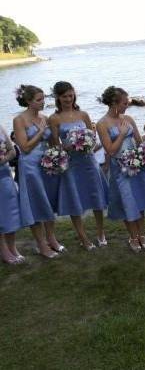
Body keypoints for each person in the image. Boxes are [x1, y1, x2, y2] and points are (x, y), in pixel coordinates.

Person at [97, 86, 145, 253]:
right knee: (127, 202)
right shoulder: (102, 124)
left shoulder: (129, 119)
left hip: (137, 166)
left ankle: (142, 234)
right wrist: (122, 133)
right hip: (119, 168)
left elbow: (139, 142)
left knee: (140, 200)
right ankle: (132, 236)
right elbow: (110, 150)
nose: (128, 105)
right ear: (114, 103)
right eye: (125, 103)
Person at [49, 81, 108, 249]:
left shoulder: (83, 114)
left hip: (88, 160)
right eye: (64, 96)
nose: (68, 99)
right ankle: (83, 238)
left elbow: (93, 137)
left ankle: (100, 233)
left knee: (96, 197)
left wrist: (87, 142)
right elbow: (54, 146)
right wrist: (68, 146)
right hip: (71, 163)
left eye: (70, 95)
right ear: (57, 98)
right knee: (75, 200)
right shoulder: (54, 118)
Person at [12, 85, 63, 258]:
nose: (43, 102)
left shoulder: (45, 117)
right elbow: (24, 147)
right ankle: (41, 244)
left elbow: (52, 142)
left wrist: (56, 156)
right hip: (30, 166)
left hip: (47, 165)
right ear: (28, 101)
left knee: (48, 202)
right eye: (39, 100)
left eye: (44, 99)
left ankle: (51, 238)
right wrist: (41, 131)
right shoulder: (19, 120)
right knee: (36, 203)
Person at [0, 125, 26, 264]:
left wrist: (2, 160)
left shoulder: (0, 128)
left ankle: (12, 247)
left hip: (4, 176)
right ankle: (3, 251)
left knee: (10, 212)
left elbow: (12, 152)